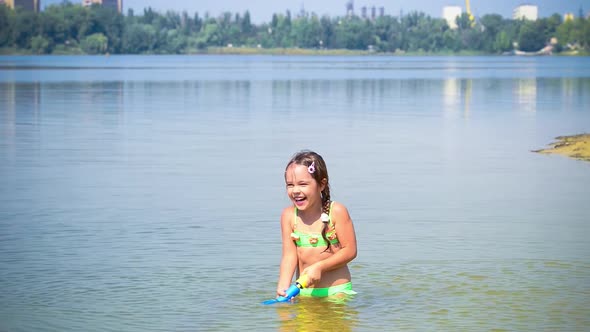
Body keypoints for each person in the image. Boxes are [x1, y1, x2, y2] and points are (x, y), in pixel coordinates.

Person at [276, 150, 357, 299]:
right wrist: (283, 286)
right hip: (304, 292)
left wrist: (320, 267)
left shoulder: (336, 212)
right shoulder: (288, 216)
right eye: (290, 185)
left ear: (321, 184)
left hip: (337, 292)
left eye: (303, 184)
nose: (296, 191)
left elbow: (350, 251)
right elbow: (289, 255)